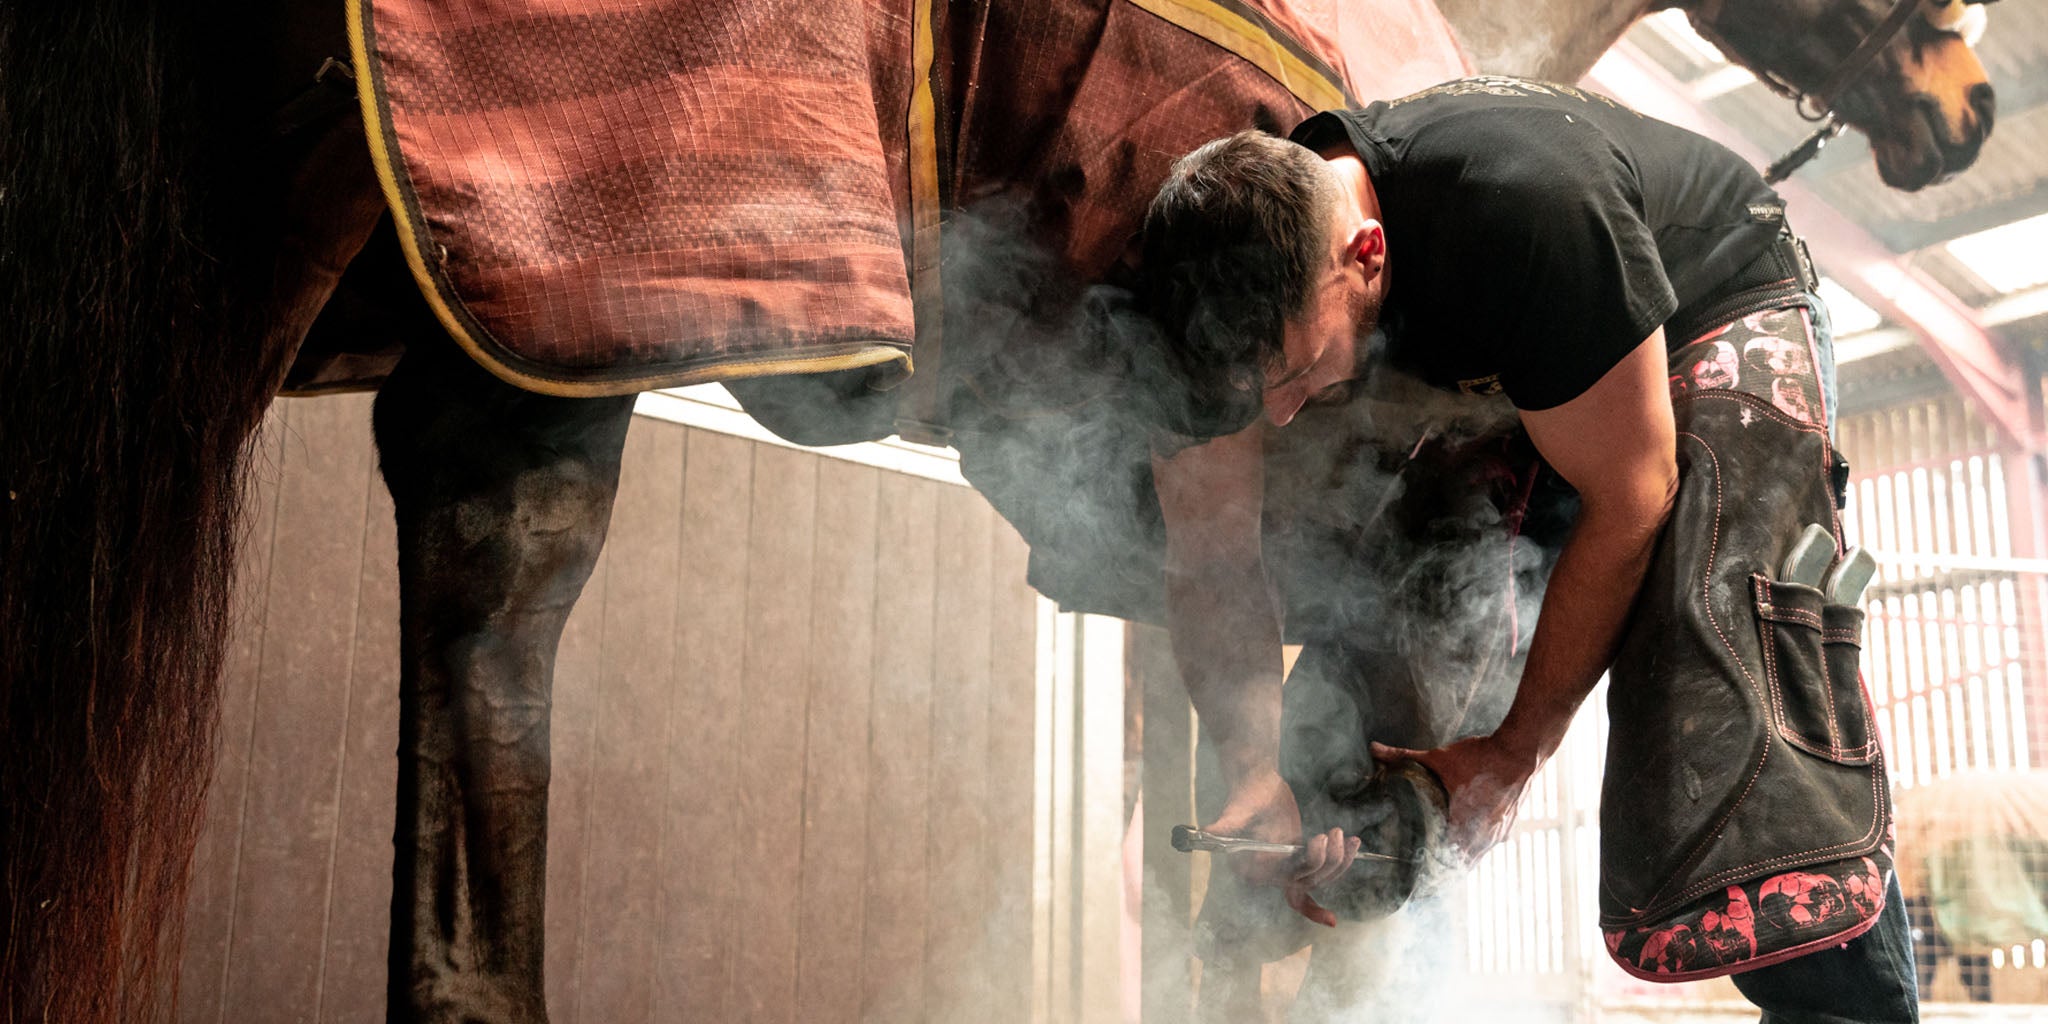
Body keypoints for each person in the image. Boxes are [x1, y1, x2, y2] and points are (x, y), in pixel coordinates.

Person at [1138, 76, 1914, 1021]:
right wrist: (1257, 771)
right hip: (1538, 380)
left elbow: (1633, 501)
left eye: (1299, 377)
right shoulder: (1224, 277)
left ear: (1367, 254)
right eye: (1256, 393)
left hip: (1712, 308)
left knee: (1721, 671)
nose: (1282, 417)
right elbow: (1214, 559)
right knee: (1378, 662)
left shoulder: (1525, 212)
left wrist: (1512, 754)